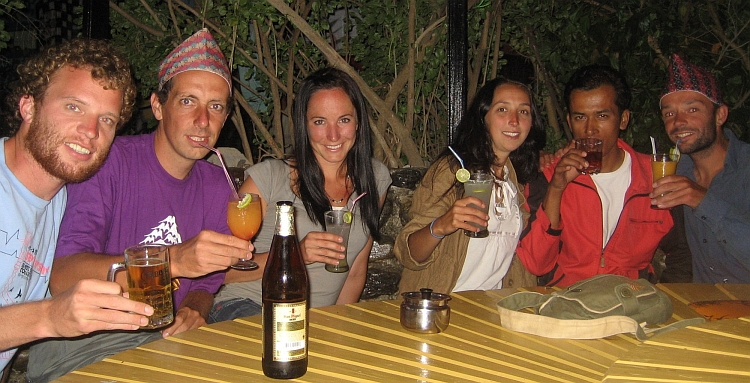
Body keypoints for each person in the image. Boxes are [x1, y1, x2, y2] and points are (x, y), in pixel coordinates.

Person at [26, 29, 252, 382]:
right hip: (83, 342)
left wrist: (194, 309)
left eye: (216, 107)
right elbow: (63, 275)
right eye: (188, 101)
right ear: (159, 106)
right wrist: (173, 260)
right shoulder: (109, 162)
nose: (203, 121)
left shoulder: (216, 185)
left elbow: (207, 284)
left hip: (164, 344)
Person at [0, 39, 153, 377]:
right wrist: (49, 317)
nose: (90, 131)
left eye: (107, 120)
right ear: (29, 107)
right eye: (73, 107)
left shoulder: (58, 200)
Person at [210, 67, 391, 321]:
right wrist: (294, 255)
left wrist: (337, 325)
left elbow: (355, 270)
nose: (333, 135)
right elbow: (220, 270)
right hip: (248, 306)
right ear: (304, 126)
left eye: (344, 120)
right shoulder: (268, 178)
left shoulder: (374, 179)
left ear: (358, 122)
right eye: (319, 122)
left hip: (312, 321)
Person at [516, 65, 673, 286]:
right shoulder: (550, 175)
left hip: (631, 303)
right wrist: (556, 189)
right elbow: (535, 264)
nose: (590, 129)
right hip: (567, 302)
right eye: (580, 117)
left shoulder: (653, 177)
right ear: (570, 122)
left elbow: (683, 252)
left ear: (623, 119)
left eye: (602, 115)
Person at [394, 77, 544, 294]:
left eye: (524, 111)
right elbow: (409, 253)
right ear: (484, 117)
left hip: (492, 306)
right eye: (502, 109)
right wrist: (441, 226)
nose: (514, 120)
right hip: (442, 305)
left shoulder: (518, 178)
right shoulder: (452, 170)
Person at [653, 54, 750, 283]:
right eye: (669, 113)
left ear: (720, 115)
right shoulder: (672, 172)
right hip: (703, 307)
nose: (678, 122)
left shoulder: (745, 168)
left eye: (692, 110)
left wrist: (702, 200)